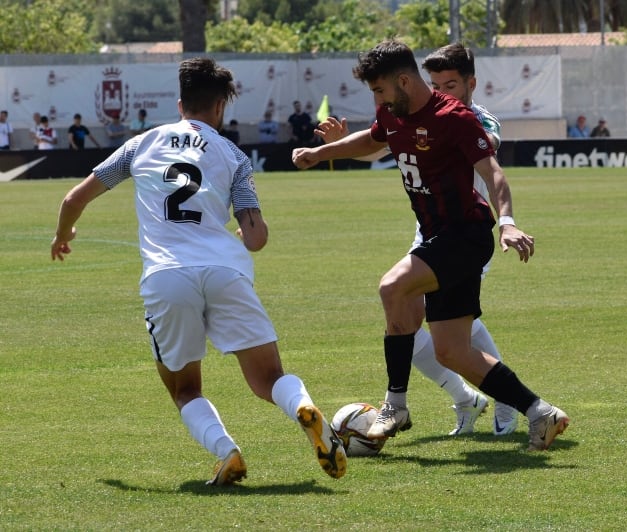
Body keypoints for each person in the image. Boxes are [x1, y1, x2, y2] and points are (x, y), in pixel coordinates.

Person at [50, 57, 347, 484]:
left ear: (180, 103)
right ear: (221, 107)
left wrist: (64, 234)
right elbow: (256, 236)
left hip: (168, 276)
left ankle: (228, 452)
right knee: (269, 378)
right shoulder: (233, 155)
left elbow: (73, 199)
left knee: (184, 388)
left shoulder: (142, 144)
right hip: (225, 271)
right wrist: (246, 232)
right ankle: (302, 406)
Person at [292, 40, 569, 451]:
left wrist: (507, 223)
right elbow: (371, 140)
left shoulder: (454, 117)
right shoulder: (393, 111)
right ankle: (540, 412)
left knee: (392, 286)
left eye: (380, 90)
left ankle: (395, 404)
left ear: (404, 81)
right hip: (438, 235)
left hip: (465, 235)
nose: (377, 100)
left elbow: (493, 173)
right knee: (453, 352)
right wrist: (320, 153)